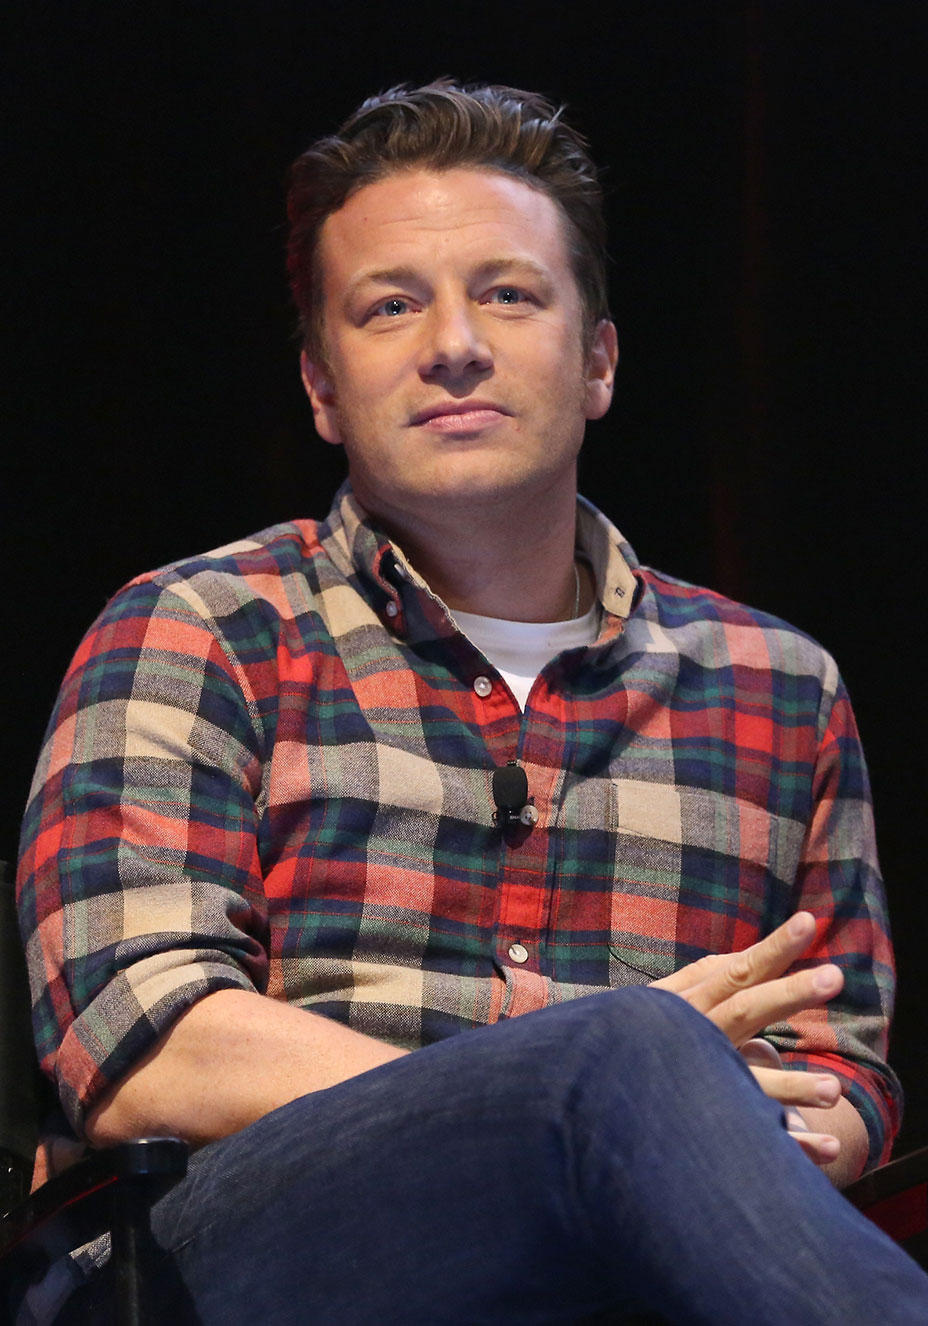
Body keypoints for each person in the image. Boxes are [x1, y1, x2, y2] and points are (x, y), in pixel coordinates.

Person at [15, 80, 928, 1323]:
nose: (453, 343)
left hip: (642, 1270)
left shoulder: (778, 687)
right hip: (253, 1253)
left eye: (506, 293)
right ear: (322, 387)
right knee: (628, 1051)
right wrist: (579, 1091)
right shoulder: (199, 627)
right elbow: (139, 1043)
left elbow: (842, 1065)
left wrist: (777, 1126)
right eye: (391, 306)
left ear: (597, 360)